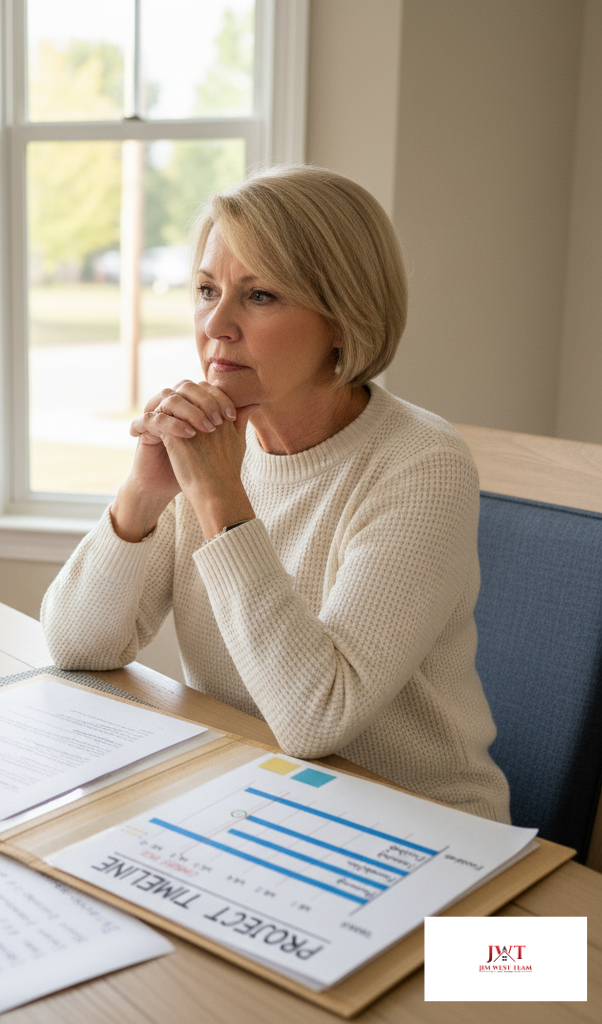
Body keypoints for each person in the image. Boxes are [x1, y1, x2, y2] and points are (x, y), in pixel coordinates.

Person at [41, 165, 510, 823]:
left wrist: (219, 497)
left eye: (259, 296)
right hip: (253, 799)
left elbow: (318, 716)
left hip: (420, 828)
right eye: (207, 289)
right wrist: (143, 495)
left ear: (344, 319)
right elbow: (75, 646)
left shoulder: (421, 466)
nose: (216, 325)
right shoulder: (212, 441)